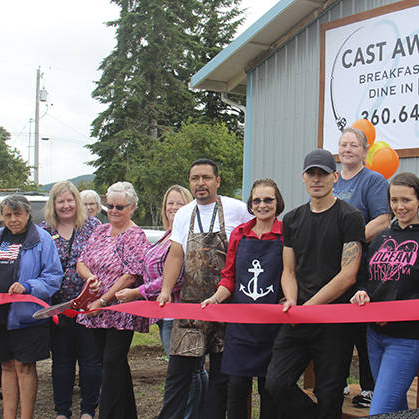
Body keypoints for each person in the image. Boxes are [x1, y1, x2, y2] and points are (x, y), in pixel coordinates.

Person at [264, 149, 365, 419]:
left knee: (330, 393)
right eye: (312, 173)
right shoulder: (293, 220)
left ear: (335, 177)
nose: (316, 179)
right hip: (298, 318)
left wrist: (308, 308)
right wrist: (294, 302)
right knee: (275, 383)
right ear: (303, 177)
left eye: (323, 173)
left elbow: (348, 275)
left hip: (334, 323)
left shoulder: (350, 217)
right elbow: (288, 271)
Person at [156, 158, 253, 419]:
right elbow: (176, 254)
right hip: (191, 305)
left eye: (206, 178)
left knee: (222, 378)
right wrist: (166, 290)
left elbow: (255, 241)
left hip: (226, 305)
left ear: (217, 181)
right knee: (178, 373)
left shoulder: (238, 209)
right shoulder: (184, 213)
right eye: (195, 178)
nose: (200, 183)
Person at [350, 172, 419, 414]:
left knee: (379, 410)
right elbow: (366, 278)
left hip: (406, 339)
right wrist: (362, 292)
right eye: (394, 200)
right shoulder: (382, 237)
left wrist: (395, 312)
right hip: (374, 337)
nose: (399, 206)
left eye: (406, 200)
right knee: (396, 408)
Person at [115, 184, 207, 419]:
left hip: (179, 311)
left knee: (186, 371)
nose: (174, 207)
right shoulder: (168, 234)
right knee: (193, 369)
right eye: (170, 203)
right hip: (164, 312)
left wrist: (139, 292)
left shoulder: (188, 236)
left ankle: (189, 414)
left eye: (179, 203)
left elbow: (176, 277)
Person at [0, 194, 62, 419]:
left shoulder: (42, 239)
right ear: (1, 216)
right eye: (8, 215)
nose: (13, 220)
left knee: (25, 367)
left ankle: (26, 416)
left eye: (17, 214)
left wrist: (28, 286)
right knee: (6, 366)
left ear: (28, 214)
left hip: (26, 316)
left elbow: (53, 277)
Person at [201, 179, 285, 419]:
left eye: (268, 200)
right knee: (236, 388)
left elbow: (291, 274)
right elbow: (229, 278)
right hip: (241, 328)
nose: (262, 205)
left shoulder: (286, 234)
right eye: (257, 200)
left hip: (272, 328)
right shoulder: (239, 234)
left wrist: (289, 299)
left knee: (269, 389)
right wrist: (215, 299)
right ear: (250, 203)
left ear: (277, 202)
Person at [76, 181, 150, 419]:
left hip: (120, 310)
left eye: (120, 206)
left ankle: (106, 414)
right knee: (113, 365)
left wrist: (103, 300)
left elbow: (131, 274)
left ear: (132, 207)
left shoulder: (135, 235)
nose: (114, 211)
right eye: (110, 206)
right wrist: (90, 279)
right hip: (95, 307)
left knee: (111, 363)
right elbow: (81, 261)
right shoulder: (99, 231)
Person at [334, 127, 390, 407]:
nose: (347, 149)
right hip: (333, 267)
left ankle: (369, 386)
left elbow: (382, 221)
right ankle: (338, 381)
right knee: (337, 327)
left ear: (365, 151)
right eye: (343, 145)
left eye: (353, 145)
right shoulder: (332, 181)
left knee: (361, 326)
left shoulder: (374, 181)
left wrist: (349, 243)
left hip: (363, 266)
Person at [41, 181, 102, 419]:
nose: (65, 206)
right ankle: (62, 411)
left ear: (76, 202)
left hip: (88, 307)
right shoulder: (44, 230)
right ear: (53, 204)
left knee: (90, 361)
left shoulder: (93, 226)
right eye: (60, 201)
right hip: (58, 308)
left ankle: (88, 410)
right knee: (61, 362)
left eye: (69, 200)